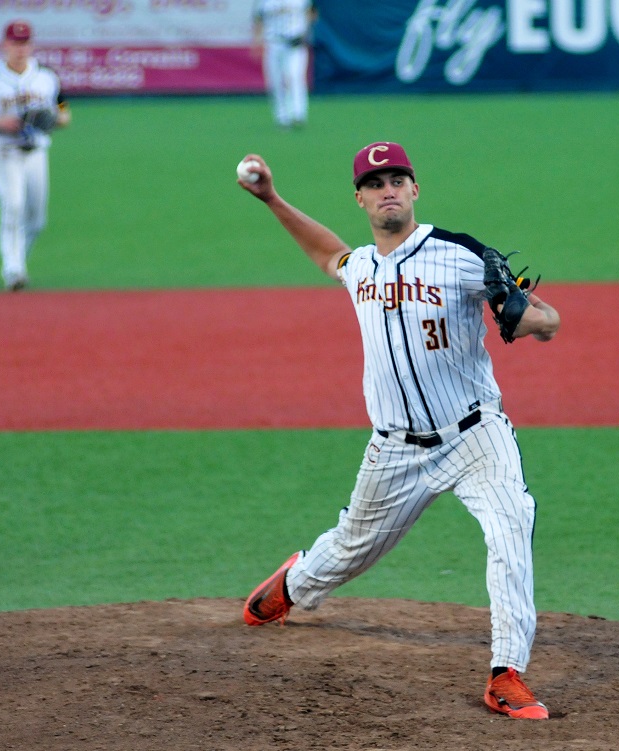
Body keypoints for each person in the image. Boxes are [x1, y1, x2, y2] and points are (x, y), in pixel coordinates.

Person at [236, 142, 561, 720]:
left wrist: (534, 318)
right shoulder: (361, 267)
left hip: (475, 435)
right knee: (351, 550)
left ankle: (506, 673)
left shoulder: (459, 254)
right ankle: (296, 584)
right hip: (394, 448)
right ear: (360, 198)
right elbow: (326, 254)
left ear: (415, 190)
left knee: (510, 527)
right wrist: (272, 199)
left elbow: (545, 319)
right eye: (375, 181)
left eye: (398, 179)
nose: (388, 188)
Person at [0, 20, 70, 292]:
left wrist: (51, 120)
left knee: (36, 219)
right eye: (15, 42)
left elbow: (65, 114)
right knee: (12, 207)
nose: (20, 48)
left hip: (36, 152)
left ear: (32, 45)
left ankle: (18, 260)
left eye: (25, 42)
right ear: (5, 45)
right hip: (4, 150)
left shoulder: (46, 77)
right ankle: (13, 269)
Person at [250, 0, 315, 129]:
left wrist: (306, 31)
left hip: (295, 43)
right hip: (273, 43)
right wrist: (257, 41)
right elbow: (258, 20)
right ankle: (282, 117)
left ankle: (298, 113)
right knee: (276, 81)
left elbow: (312, 12)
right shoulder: (265, 2)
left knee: (294, 76)